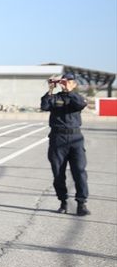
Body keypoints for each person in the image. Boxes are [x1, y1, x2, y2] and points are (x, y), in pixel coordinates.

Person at [41, 72, 90, 216]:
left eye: (69, 81)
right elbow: (44, 105)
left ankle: (82, 203)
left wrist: (69, 91)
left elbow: (81, 104)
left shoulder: (77, 98)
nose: (66, 83)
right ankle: (63, 201)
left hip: (75, 138)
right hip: (58, 138)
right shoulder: (55, 97)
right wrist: (50, 89)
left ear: (74, 84)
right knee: (58, 172)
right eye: (64, 81)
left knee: (79, 171)